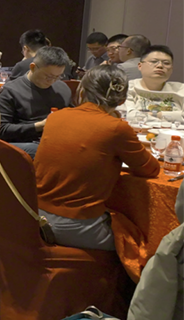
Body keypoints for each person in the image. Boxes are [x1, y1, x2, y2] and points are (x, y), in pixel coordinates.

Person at [36, 65, 160, 250]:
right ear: (122, 100)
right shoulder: (116, 128)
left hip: (34, 214)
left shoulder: (56, 117)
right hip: (76, 225)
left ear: (82, 92)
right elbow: (150, 169)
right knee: (143, 243)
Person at [0, 46, 72, 156]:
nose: (52, 81)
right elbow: (2, 130)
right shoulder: (11, 91)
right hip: (25, 143)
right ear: (33, 67)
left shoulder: (62, 89)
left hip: (55, 139)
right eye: (48, 76)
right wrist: (39, 125)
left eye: (58, 76)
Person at [122, 45, 183, 122]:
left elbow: (136, 116)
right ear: (140, 66)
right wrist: (174, 116)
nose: (160, 66)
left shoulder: (180, 89)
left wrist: (157, 114)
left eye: (166, 63)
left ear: (171, 69)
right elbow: (127, 115)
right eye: (153, 62)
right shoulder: (127, 88)